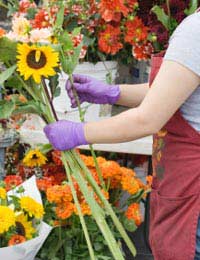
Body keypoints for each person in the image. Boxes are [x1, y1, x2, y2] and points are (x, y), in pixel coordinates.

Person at [44, 11, 200, 260]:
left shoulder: (196, 30)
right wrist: (114, 93)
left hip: (193, 198)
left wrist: (79, 132)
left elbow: (147, 119)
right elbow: (175, 89)